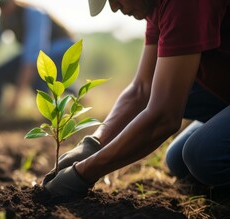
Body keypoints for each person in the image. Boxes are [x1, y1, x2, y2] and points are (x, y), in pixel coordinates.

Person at [44, 0, 230, 198]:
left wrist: (83, 173)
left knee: (203, 156)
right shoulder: (156, 7)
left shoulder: (184, 4)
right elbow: (142, 88)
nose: (114, 8)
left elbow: (163, 116)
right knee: (178, 160)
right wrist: (93, 144)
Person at [0, 0, 75, 114]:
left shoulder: (34, 13)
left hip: (62, 49)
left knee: (40, 74)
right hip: (39, 52)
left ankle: (50, 116)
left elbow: (32, 57)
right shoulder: (4, 19)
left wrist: (17, 96)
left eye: (3, 4)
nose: (1, 8)